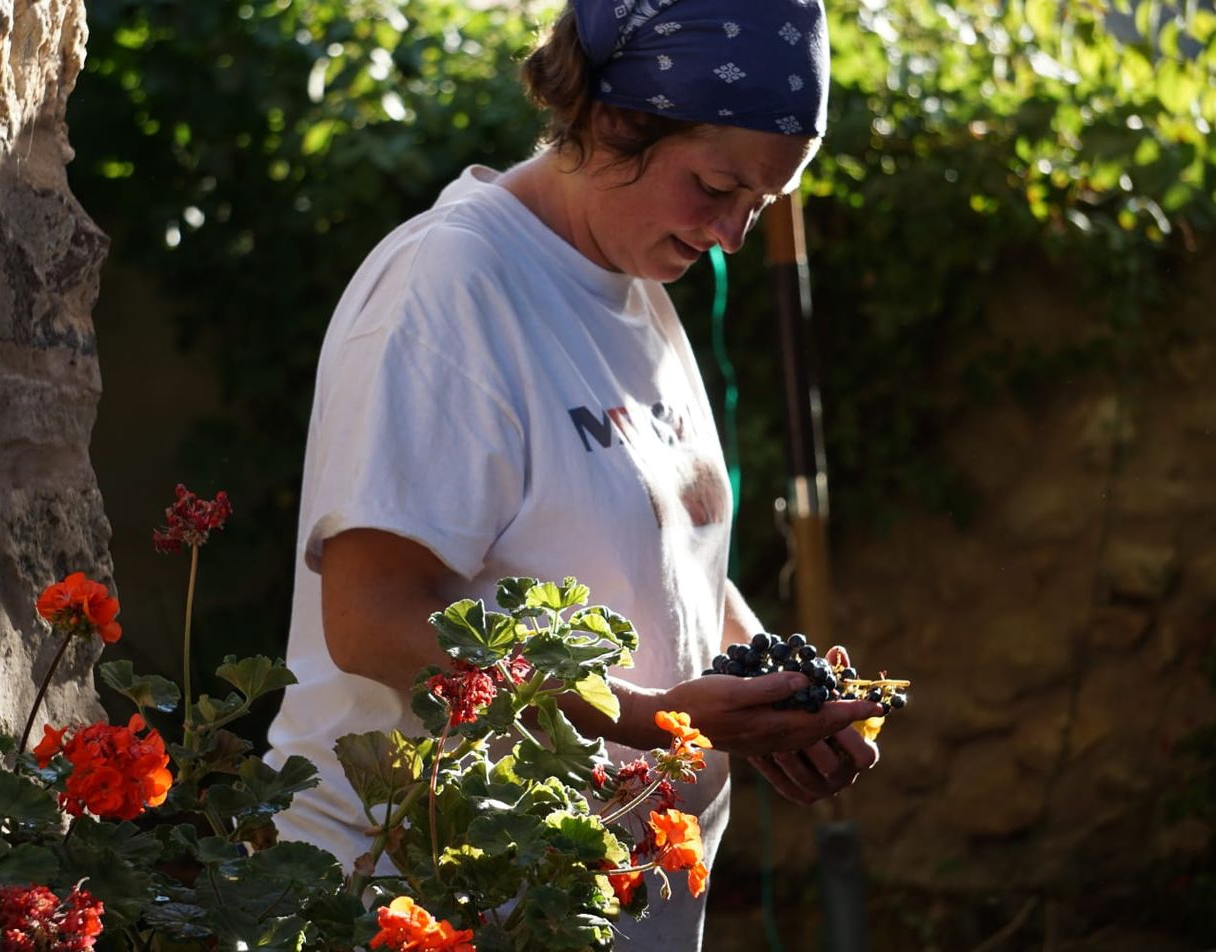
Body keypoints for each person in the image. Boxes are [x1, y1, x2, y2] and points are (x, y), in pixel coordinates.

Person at [264, 0, 882, 947]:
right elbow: (372, 618)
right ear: (611, 122)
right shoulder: (452, 285)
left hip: (601, 909)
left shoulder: (634, 284)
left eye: (760, 204)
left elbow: (662, 561)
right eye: (717, 187)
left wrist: (780, 690)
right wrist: (650, 718)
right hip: (433, 895)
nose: (731, 236)